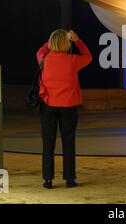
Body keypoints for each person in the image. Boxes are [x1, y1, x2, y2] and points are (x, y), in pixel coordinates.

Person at [36, 29, 92, 189]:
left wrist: (52, 40)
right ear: (66, 44)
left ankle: (48, 179)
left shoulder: (44, 58)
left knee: (48, 143)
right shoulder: (73, 60)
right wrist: (78, 40)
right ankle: (69, 179)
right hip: (69, 107)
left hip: (48, 105)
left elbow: (41, 49)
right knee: (68, 141)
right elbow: (88, 57)